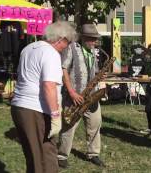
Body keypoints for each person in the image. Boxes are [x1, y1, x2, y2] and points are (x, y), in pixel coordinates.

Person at [10, 21, 76, 173]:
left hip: (19, 106)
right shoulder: (51, 53)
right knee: (44, 158)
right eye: (68, 42)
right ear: (61, 39)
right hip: (35, 109)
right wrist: (55, 115)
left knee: (34, 155)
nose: (67, 47)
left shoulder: (28, 48)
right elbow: (49, 86)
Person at [57, 24, 105, 168]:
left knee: (95, 125)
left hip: (91, 97)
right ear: (83, 38)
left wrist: (100, 76)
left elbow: (93, 72)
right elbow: (63, 69)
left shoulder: (92, 52)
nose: (94, 42)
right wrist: (72, 92)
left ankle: (93, 154)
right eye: (91, 39)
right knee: (69, 126)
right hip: (75, 97)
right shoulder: (72, 48)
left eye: (95, 39)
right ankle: (62, 155)